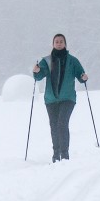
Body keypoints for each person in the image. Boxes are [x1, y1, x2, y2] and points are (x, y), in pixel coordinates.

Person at [31, 34, 87, 162]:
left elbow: (81, 75)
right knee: (54, 125)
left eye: (61, 41)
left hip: (68, 98)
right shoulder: (47, 61)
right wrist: (36, 71)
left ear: (65, 44)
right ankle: (56, 154)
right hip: (51, 99)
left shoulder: (73, 61)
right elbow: (39, 76)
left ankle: (64, 154)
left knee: (62, 123)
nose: (59, 43)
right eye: (57, 41)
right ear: (53, 44)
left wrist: (84, 77)